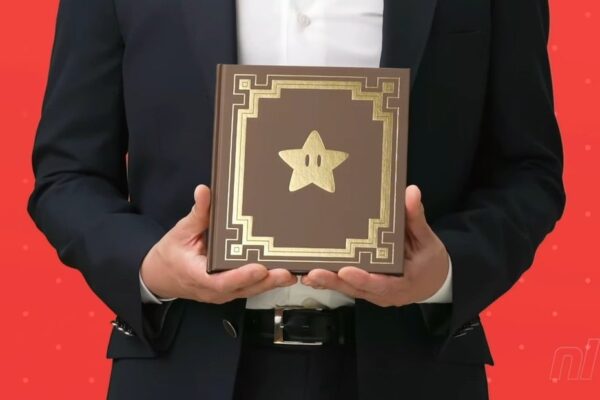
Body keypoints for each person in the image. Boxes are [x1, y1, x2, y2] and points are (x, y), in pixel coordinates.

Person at [27, 0, 565, 399]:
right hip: (183, 366)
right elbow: (68, 173)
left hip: (414, 368)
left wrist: (447, 273)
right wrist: (150, 266)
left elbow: (529, 170)